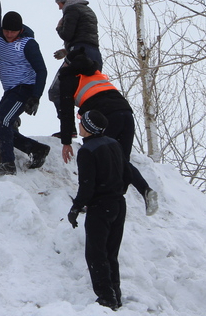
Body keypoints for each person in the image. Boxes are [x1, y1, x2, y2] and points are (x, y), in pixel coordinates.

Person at [58, 47, 159, 215]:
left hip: (106, 117)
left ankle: (91, 202)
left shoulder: (69, 78)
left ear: (67, 63)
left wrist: (66, 141)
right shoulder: (95, 71)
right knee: (121, 160)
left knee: (102, 159)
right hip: (126, 112)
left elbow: (66, 112)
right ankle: (145, 190)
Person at [67, 110, 129, 310]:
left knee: (96, 254)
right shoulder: (113, 143)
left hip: (100, 207)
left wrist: (76, 208)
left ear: (88, 128)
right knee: (111, 253)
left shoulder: (87, 151)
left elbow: (87, 185)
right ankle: (115, 295)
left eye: (82, 122)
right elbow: (125, 171)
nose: (79, 125)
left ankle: (106, 297)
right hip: (119, 204)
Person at [0, 11, 50, 174]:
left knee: (3, 120)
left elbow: (42, 70)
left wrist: (36, 97)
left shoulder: (28, 44)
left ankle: (9, 164)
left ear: (20, 30)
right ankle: (36, 149)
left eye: (13, 32)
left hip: (26, 87)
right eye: (6, 30)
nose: (9, 34)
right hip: (10, 89)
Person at [49, 0, 102, 128]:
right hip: (94, 55)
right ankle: (93, 130)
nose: (59, 8)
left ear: (65, 1)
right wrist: (67, 50)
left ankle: (69, 129)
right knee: (89, 95)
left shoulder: (72, 10)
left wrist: (59, 28)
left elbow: (68, 34)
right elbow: (85, 39)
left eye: (59, 3)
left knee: (57, 91)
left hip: (78, 56)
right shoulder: (88, 10)